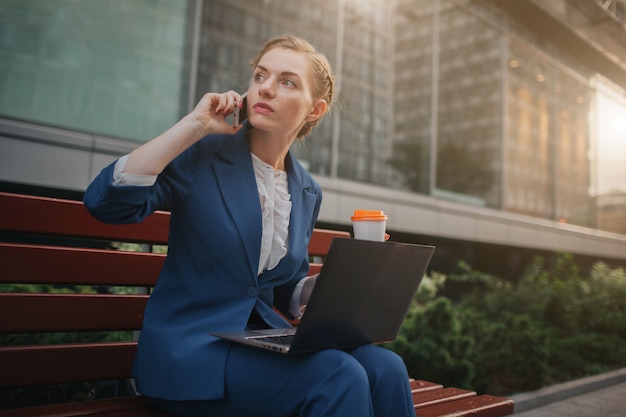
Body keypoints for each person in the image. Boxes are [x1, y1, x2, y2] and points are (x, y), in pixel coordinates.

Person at [83, 35, 415, 417]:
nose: (267, 88)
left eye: (287, 82)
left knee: (387, 368)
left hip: (258, 343)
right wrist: (194, 126)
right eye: (260, 76)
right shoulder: (203, 156)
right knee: (336, 375)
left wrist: (325, 287)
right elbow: (104, 204)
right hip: (191, 352)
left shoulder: (306, 190)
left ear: (315, 110)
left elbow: (278, 286)